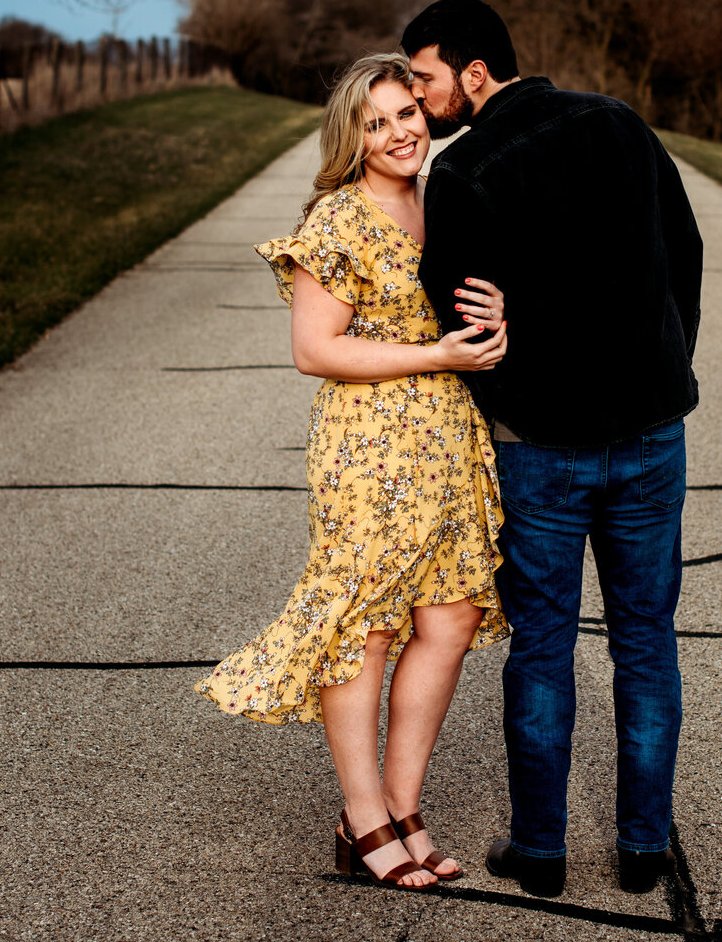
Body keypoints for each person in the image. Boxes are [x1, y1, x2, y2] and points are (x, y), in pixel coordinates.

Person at [403, 0, 703, 898]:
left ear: (476, 72)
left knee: (542, 645)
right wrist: (663, 364)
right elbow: (683, 250)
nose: (418, 100)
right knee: (646, 641)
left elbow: (456, 323)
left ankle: (541, 852)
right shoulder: (620, 124)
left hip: (538, 450)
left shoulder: (463, 176)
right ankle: (643, 852)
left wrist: (515, 382)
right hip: (652, 434)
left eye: (423, 78)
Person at [196, 50, 509, 890]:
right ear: (353, 137)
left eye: (407, 112)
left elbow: (472, 299)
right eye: (377, 123)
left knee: (447, 621)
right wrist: (435, 351)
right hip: (370, 447)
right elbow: (313, 350)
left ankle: (404, 810)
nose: (400, 132)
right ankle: (363, 816)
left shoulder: (442, 200)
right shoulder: (339, 219)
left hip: (448, 439)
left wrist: (493, 324)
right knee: (366, 628)